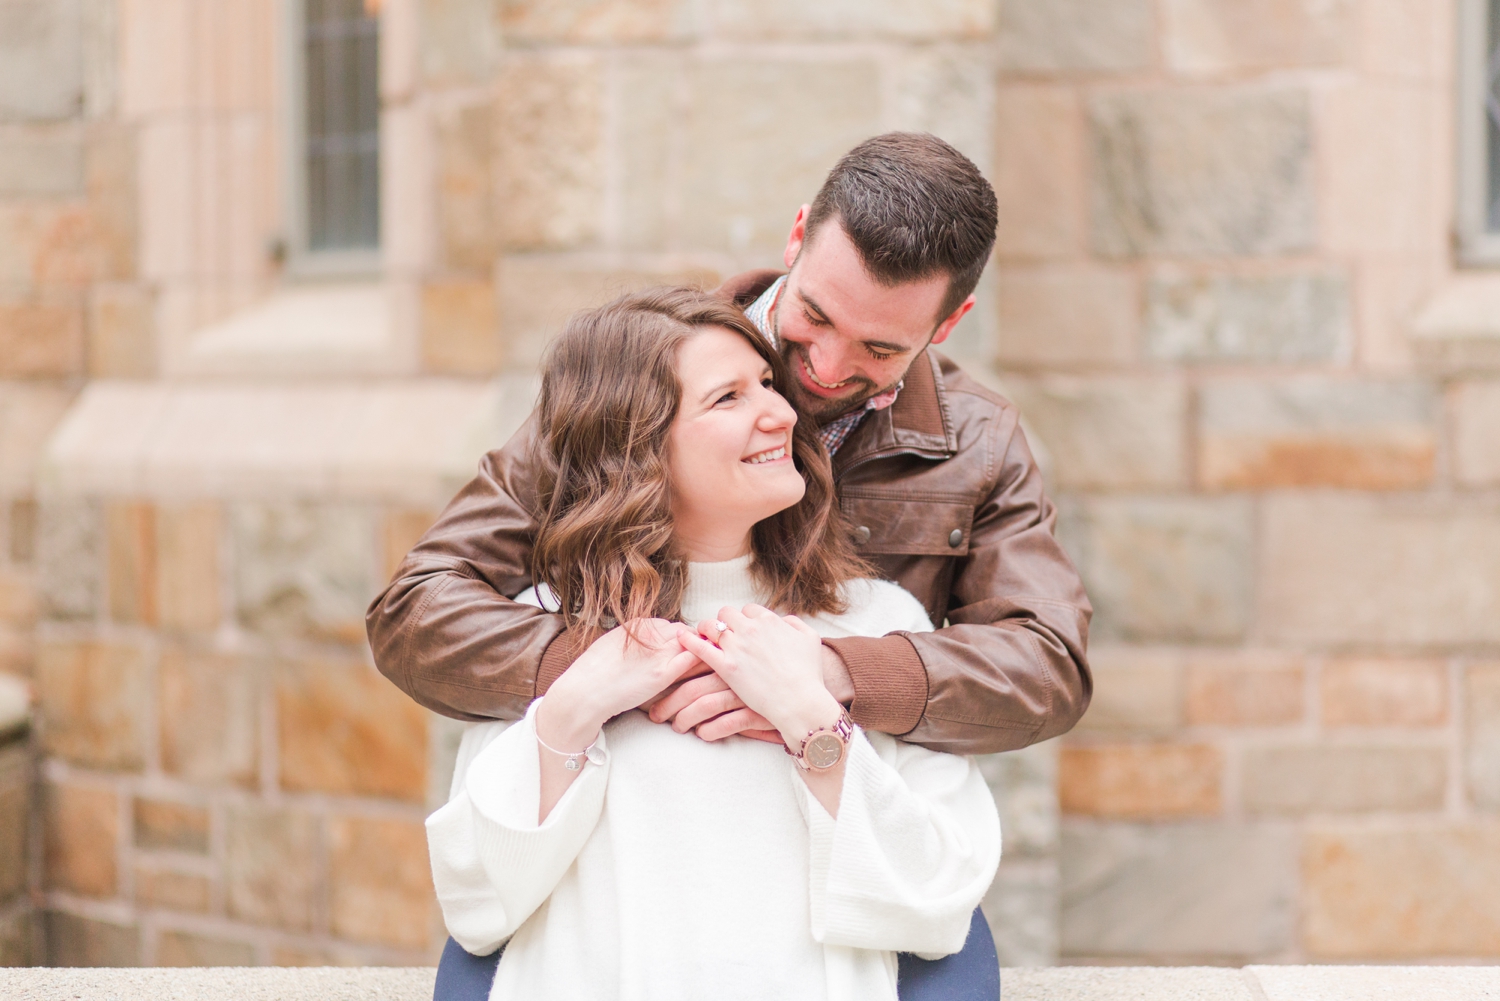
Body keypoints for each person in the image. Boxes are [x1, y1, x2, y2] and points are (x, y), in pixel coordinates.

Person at [425, 287, 1001, 1000]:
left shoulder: (877, 622)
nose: (782, 412)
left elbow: (942, 899)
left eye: (766, 383)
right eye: (728, 398)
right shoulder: (541, 632)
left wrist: (815, 723)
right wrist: (572, 709)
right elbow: (478, 904)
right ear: (635, 448)